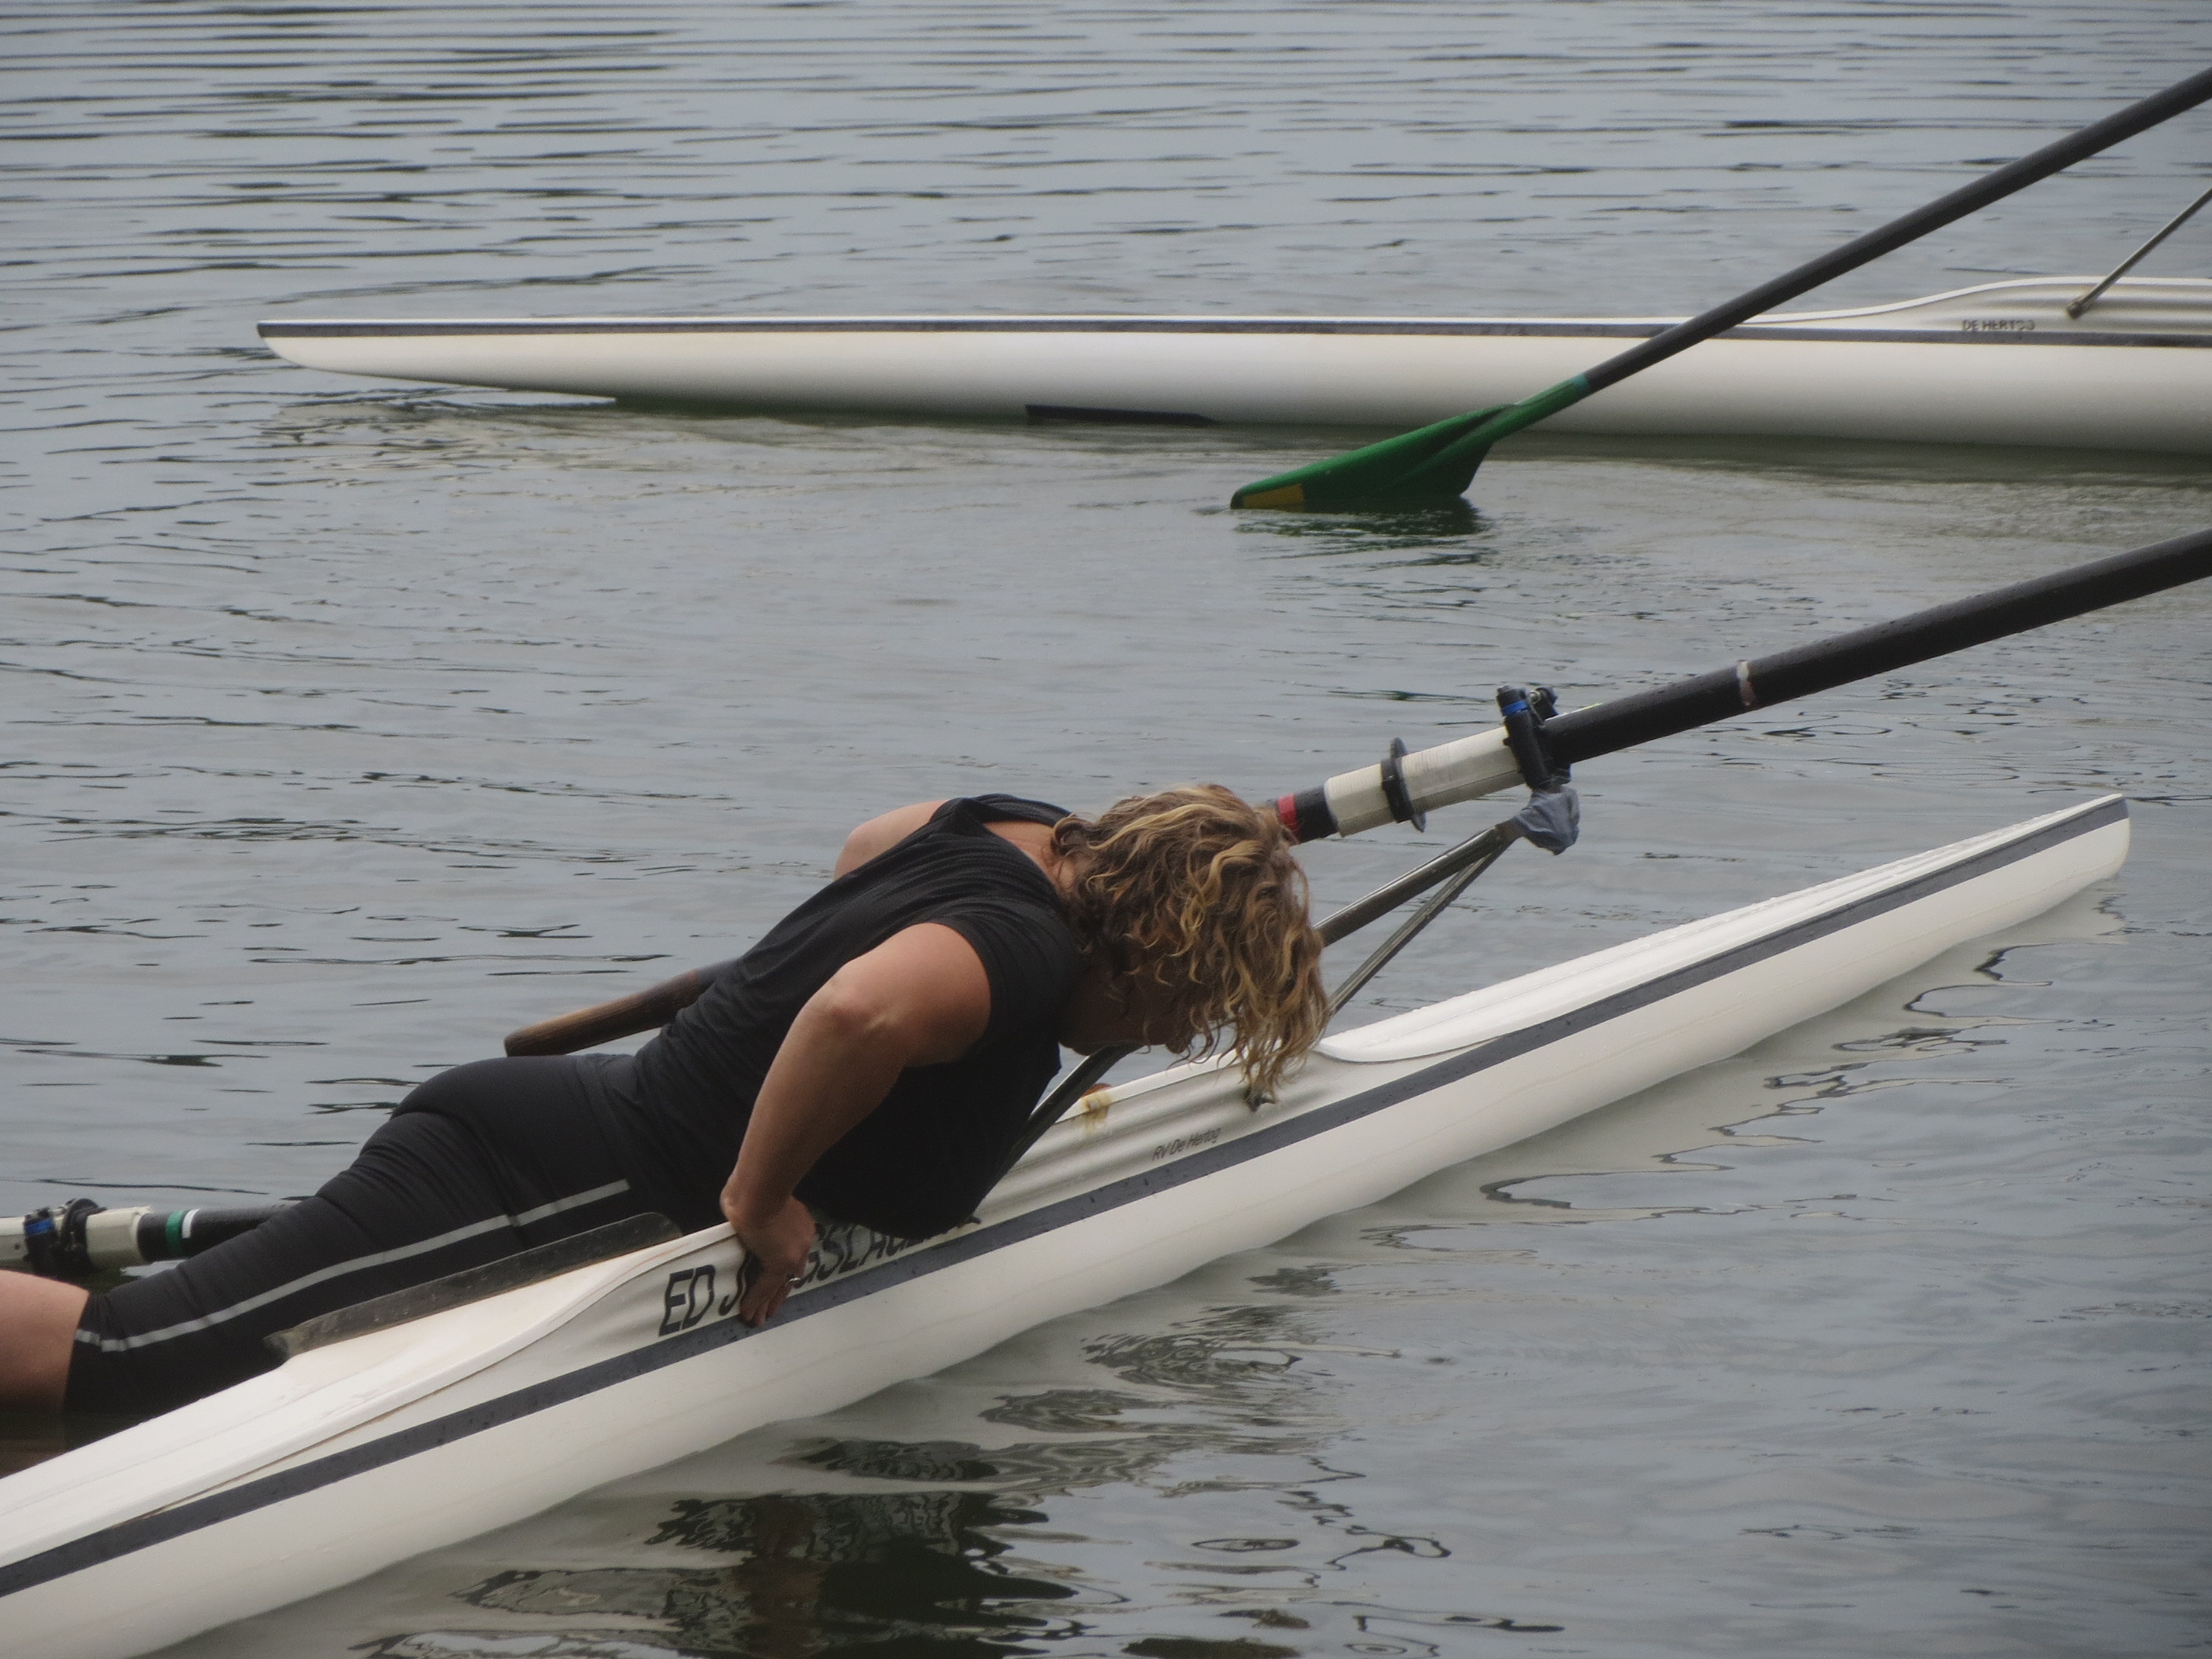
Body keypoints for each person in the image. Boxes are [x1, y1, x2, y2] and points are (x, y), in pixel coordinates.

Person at [0, 786, 1328, 1417]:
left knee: (181, 1333)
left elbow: (868, 844)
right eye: (1191, 1005)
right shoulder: (1025, 954)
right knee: (123, 1363)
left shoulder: (1014, 832)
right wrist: (760, 1198)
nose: (1178, 1037)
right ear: (1158, 945)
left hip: (566, 1143)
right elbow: (856, 1013)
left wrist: (773, 1014)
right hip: (541, 1182)